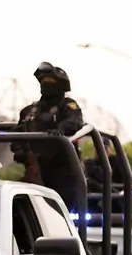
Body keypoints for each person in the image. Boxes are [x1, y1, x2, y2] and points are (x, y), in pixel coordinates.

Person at [13, 62, 85, 212]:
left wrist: (60, 130)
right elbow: (17, 135)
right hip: (35, 168)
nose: (46, 84)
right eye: (43, 81)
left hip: (64, 171)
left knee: (62, 211)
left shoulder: (68, 106)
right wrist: (21, 151)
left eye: (50, 81)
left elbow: (75, 121)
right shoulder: (29, 111)